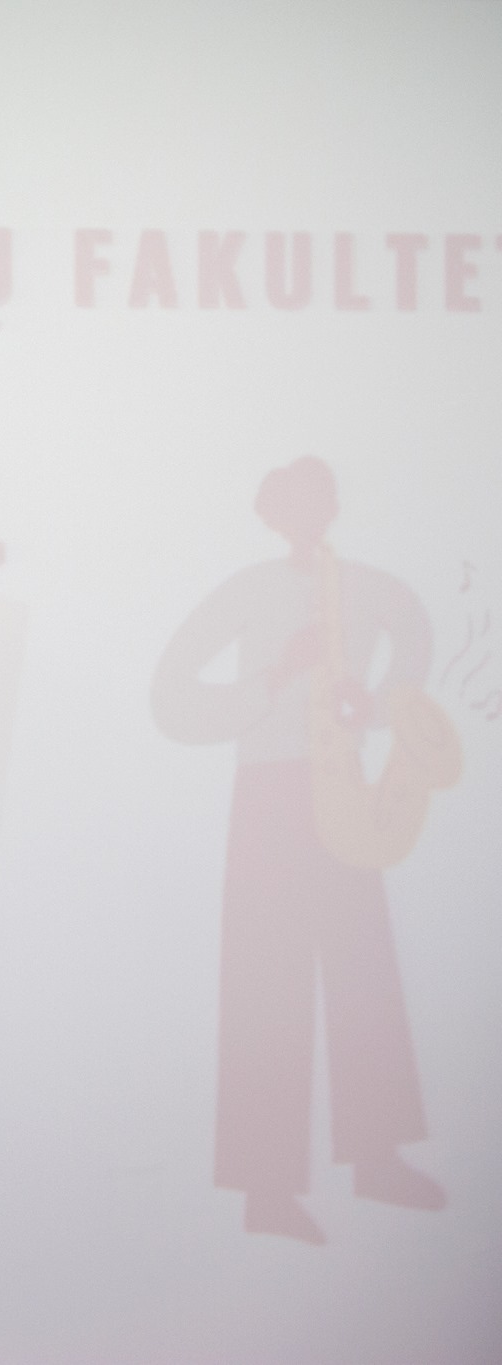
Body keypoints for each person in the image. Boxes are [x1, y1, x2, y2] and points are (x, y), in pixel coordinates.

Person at [152, 457, 444, 1244]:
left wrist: (375, 704)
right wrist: (269, 683)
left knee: (363, 963)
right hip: (268, 791)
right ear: (273, 512)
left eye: (322, 497)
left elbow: (415, 627)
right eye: (294, 500)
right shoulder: (247, 590)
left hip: (342, 777)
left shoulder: (369, 585)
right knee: (263, 975)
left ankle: (377, 1157)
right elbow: (170, 693)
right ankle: (266, 1189)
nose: (310, 512)